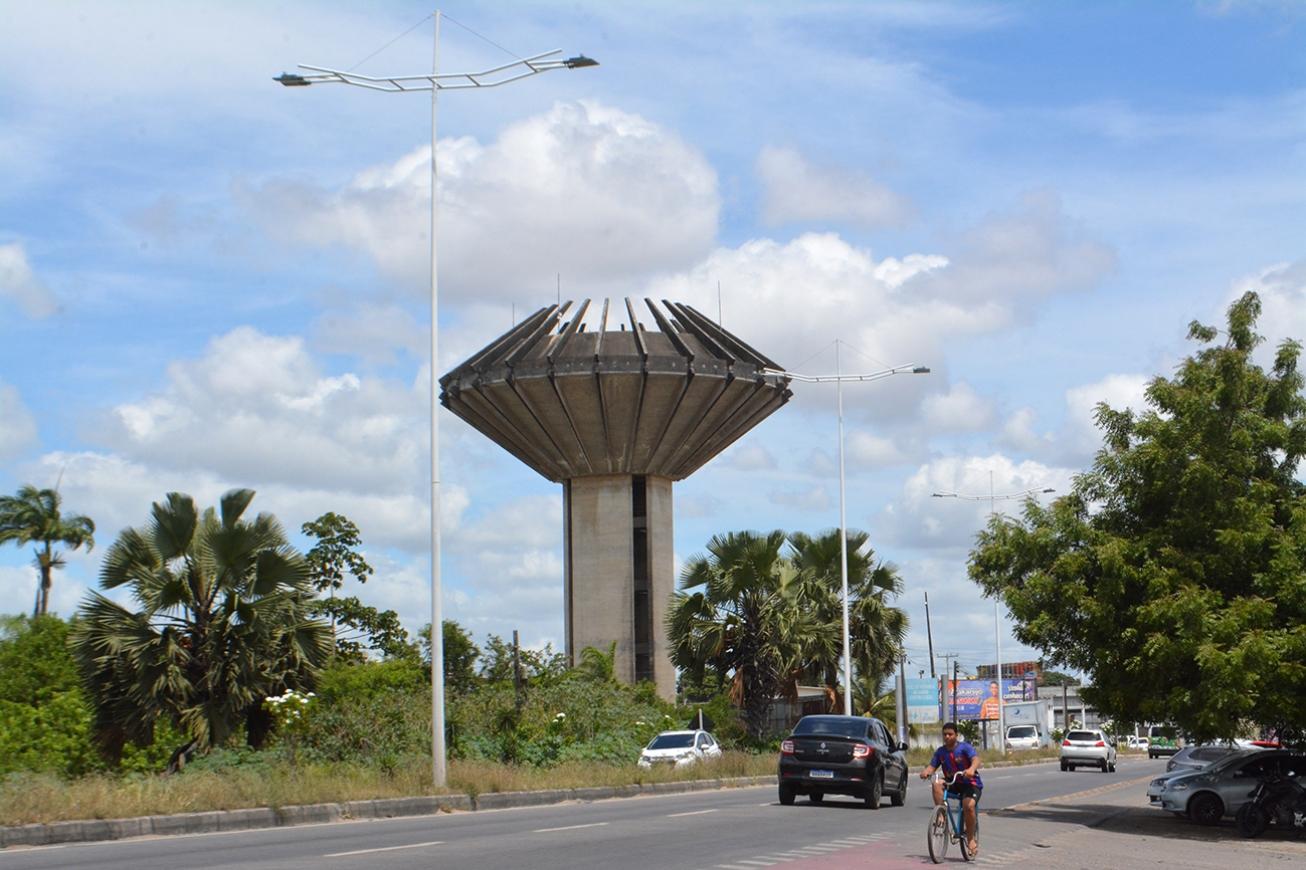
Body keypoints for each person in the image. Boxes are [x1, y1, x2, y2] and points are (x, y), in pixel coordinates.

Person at [919, 721, 983, 857]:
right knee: (936, 784)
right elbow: (932, 766)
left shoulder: (964, 748)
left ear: (956, 735)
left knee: (969, 806)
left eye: (950, 734)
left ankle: (971, 839)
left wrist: (971, 769)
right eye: (945, 734)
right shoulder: (940, 752)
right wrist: (926, 772)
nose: (947, 737)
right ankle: (941, 815)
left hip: (970, 783)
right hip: (953, 783)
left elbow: (976, 759)